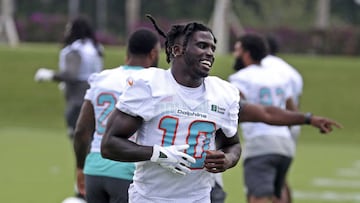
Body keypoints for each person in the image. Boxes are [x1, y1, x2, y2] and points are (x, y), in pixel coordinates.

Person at [101, 18, 242, 202]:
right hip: (149, 197)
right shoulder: (150, 85)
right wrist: (158, 154)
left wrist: (227, 159)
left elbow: (233, 144)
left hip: (198, 198)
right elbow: (109, 145)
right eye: (202, 46)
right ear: (177, 50)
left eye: (212, 48)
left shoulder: (223, 93)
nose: (209, 53)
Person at [73, 28, 161, 203]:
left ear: (127, 52)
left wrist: (80, 167)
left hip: (95, 169)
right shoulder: (154, 81)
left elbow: (82, 131)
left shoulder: (102, 78)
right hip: (129, 168)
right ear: (153, 53)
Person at [33, 16, 103, 201]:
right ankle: (89, 190)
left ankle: (82, 192)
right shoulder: (95, 48)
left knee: (81, 149)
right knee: (92, 148)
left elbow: (71, 74)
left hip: (78, 104)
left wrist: (50, 75)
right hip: (94, 103)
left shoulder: (75, 50)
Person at [228, 33, 303, 203]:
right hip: (285, 143)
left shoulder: (241, 78)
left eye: (237, 50)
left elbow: (232, 109)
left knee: (258, 196)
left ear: (246, 53)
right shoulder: (279, 76)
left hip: (260, 142)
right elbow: (292, 110)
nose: (235, 54)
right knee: (279, 191)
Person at [261, 34, 304, 203]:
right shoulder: (291, 71)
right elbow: (294, 103)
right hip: (292, 123)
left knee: (268, 178)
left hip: (270, 124)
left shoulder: (260, 67)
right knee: (281, 176)